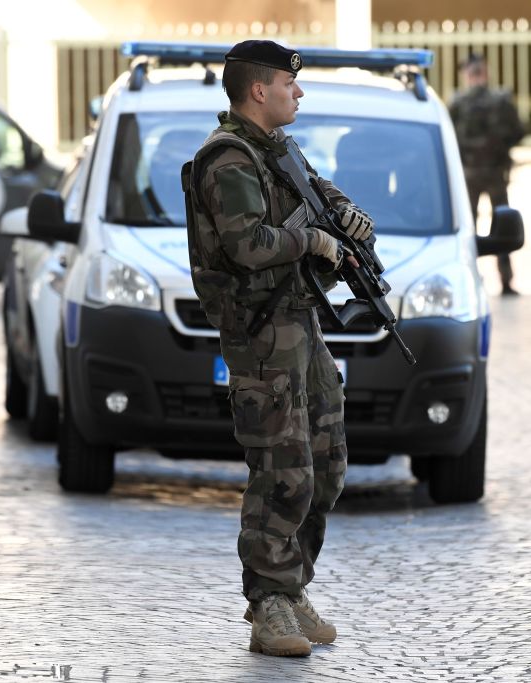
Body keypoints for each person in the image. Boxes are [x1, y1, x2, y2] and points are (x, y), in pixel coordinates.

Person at [183, 40, 374, 657]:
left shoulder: (276, 149)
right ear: (259, 90)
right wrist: (313, 243)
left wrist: (342, 215)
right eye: (290, 85)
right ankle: (269, 603)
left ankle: (292, 589)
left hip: (300, 324)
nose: (299, 93)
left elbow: (315, 189)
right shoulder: (227, 159)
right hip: (261, 335)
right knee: (281, 470)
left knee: (326, 463)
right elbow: (248, 246)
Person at [449, 55, 526, 296]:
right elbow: (518, 132)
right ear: (485, 73)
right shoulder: (501, 101)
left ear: (468, 75)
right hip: (495, 173)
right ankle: (506, 280)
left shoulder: (458, 103)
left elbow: (448, 137)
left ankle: (470, 278)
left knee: (468, 226)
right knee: (503, 224)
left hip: (469, 175)